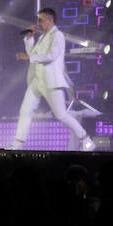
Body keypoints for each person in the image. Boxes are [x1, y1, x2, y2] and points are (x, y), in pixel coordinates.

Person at [12, 8, 97, 151]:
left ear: (50, 20)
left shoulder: (58, 35)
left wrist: (29, 57)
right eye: (38, 20)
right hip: (37, 80)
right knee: (25, 111)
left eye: (41, 20)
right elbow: (33, 55)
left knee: (61, 115)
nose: (38, 23)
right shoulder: (42, 37)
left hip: (51, 81)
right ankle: (17, 145)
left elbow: (51, 56)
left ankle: (86, 139)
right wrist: (29, 38)